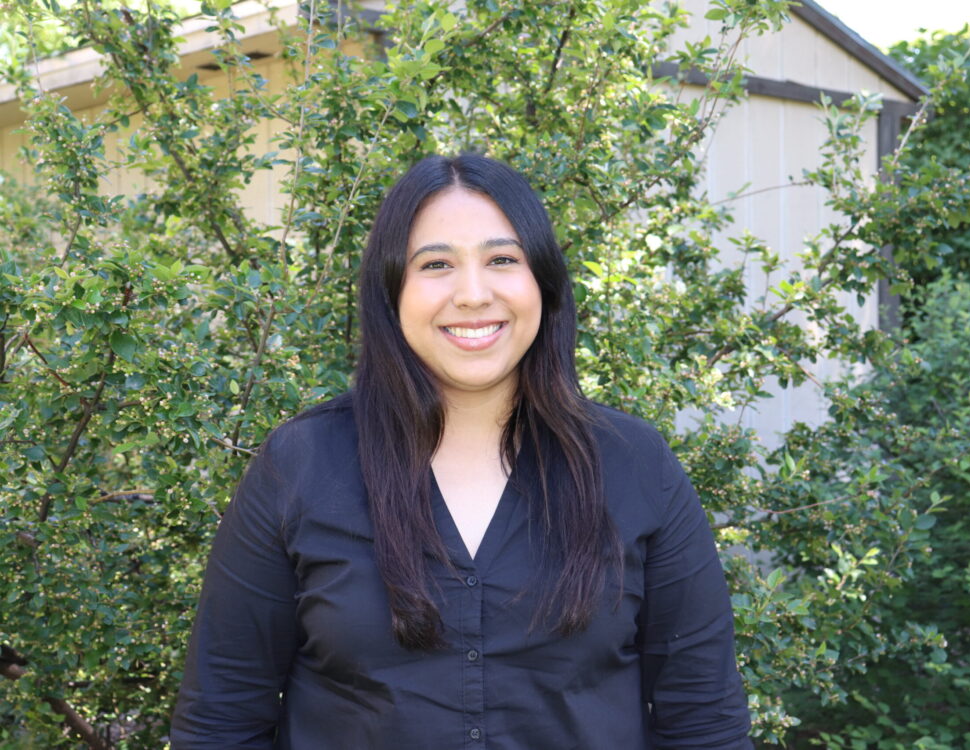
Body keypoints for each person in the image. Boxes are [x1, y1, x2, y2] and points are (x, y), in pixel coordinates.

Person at [170, 154, 752, 749]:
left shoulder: (634, 464)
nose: (473, 294)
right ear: (391, 290)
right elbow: (222, 718)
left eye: (502, 259)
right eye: (437, 264)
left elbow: (704, 720)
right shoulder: (300, 464)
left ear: (543, 283)